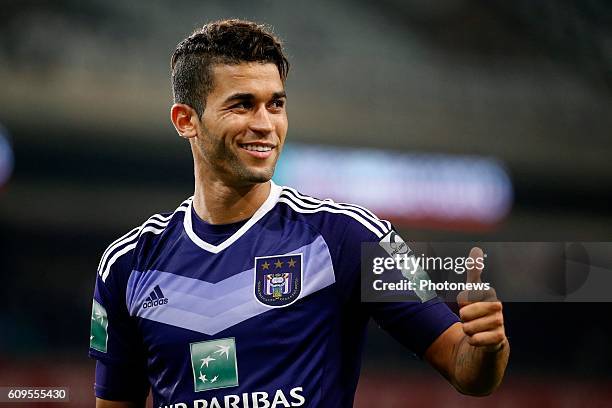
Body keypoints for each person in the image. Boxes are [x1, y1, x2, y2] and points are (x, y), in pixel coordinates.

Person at [89, 19, 509, 408]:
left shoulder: (350, 237)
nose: (265, 124)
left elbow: (465, 368)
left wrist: (486, 346)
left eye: (275, 104)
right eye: (242, 105)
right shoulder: (128, 265)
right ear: (186, 120)